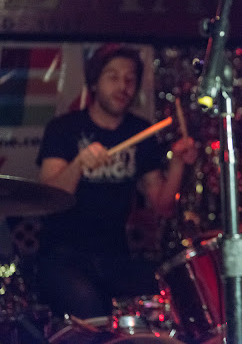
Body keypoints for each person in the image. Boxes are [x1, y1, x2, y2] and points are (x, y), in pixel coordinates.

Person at [35, 44, 197, 319]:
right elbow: (49, 198)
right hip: (63, 256)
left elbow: (162, 206)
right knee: (89, 306)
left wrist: (179, 164)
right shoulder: (64, 129)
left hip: (116, 256)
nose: (123, 85)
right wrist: (78, 165)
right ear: (94, 83)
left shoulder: (140, 131)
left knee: (168, 302)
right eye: (112, 76)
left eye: (130, 78)